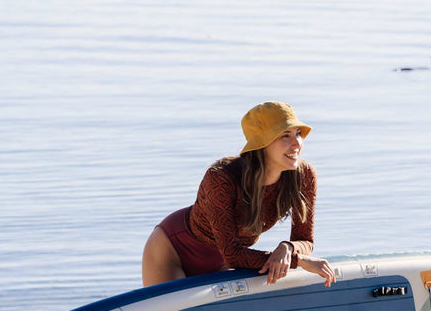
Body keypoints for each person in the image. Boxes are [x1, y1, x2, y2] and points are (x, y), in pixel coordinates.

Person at [141, 101, 335, 288]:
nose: (297, 144)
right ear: (262, 144)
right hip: (173, 250)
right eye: (286, 135)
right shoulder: (221, 177)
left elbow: (306, 240)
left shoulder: (304, 176)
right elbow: (233, 255)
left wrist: (287, 247)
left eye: (298, 133)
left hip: (223, 262)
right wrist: (298, 261)